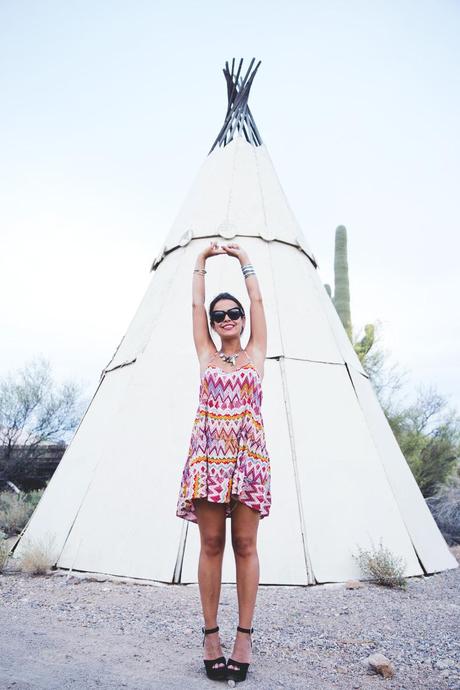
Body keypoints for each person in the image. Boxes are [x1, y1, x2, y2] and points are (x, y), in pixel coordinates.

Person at [176, 240, 272, 682]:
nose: (228, 319)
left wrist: (244, 261)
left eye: (233, 314)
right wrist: (200, 263)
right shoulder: (205, 354)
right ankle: (210, 636)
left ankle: (244, 637)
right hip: (209, 458)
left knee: (246, 547)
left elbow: (256, 299)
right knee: (211, 545)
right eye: (220, 316)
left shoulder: (255, 354)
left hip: (248, 460)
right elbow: (195, 304)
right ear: (213, 324)